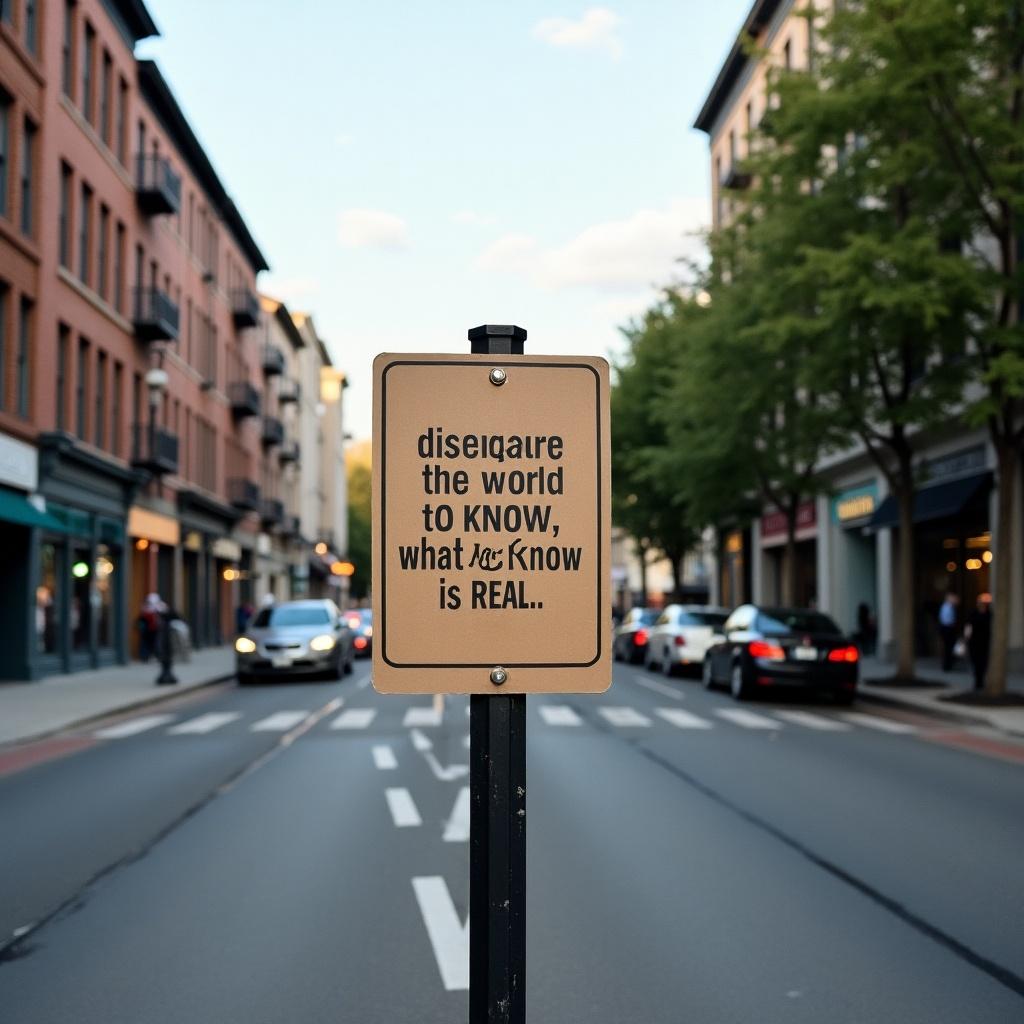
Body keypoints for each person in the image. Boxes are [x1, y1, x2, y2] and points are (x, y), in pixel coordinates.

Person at [964, 593, 993, 692]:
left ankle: (981, 682)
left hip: (985, 642)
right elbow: (968, 626)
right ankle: (978, 683)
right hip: (974, 642)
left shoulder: (989, 614)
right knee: (976, 662)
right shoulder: (973, 613)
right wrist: (967, 638)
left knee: (983, 663)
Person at [138, 593, 164, 663]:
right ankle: (145, 657)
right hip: (147, 630)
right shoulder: (145, 608)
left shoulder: (159, 607)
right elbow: (142, 618)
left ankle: (156, 656)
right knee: (146, 643)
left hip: (155, 629)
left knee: (156, 643)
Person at [938, 592, 960, 670]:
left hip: (949, 629)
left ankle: (949, 664)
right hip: (947, 629)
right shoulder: (946, 607)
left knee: (950, 647)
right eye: (952, 598)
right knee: (948, 647)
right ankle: (946, 665)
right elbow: (946, 620)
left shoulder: (951, 607)